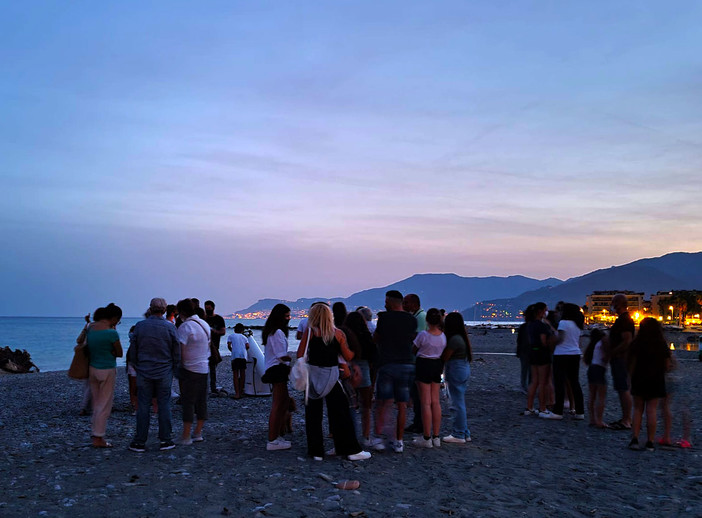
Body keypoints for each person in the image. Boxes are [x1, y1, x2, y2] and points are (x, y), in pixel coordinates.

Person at [297, 304, 371, 461]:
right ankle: (349, 449)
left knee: (313, 415)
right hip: (331, 375)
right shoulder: (337, 334)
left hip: (312, 376)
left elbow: (300, 353)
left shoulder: (309, 332)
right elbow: (348, 356)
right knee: (341, 413)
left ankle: (316, 452)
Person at [128, 298, 181, 453]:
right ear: (164, 310)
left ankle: (139, 441)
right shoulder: (169, 327)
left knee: (143, 405)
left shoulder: (140, 326)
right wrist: (174, 366)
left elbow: (133, 349)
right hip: (164, 371)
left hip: (144, 370)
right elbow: (176, 350)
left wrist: (135, 364)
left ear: (150, 309)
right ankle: (165, 440)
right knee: (164, 405)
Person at [372, 290, 417, 453]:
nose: (384, 304)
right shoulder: (411, 319)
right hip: (406, 363)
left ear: (391, 302)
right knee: (402, 404)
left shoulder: (384, 318)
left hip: (387, 363)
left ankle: (378, 437)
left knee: (383, 402)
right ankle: (399, 441)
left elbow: (376, 339)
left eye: (386, 301)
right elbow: (412, 338)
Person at [627, 318, 671, 451]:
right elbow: (667, 365)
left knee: (638, 409)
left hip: (639, 378)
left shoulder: (637, 343)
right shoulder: (661, 344)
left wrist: (630, 378)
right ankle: (650, 442)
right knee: (651, 410)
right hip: (656, 379)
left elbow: (632, 364)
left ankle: (635, 439)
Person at [86, 303, 123, 448]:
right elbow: (119, 353)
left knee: (96, 403)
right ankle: (98, 438)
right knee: (104, 405)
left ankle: (95, 432)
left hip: (92, 368)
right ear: (114, 318)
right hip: (107, 368)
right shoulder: (111, 333)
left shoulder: (91, 328)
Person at [175, 298, 211, 445]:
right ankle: (198, 432)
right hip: (204, 367)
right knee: (202, 401)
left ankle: (186, 436)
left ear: (182, 312)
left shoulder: (185, 327)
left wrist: (180, 367)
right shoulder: (204, 324)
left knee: (188, 402)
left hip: (190, 368)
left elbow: (180, 351)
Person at [411, 308, 446, 448]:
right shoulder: (443, 336)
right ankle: (436, 436)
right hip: (436, 364)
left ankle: (426, 437)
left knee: (425, 402)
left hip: (423, 364)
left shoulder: (423, 335)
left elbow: (413, 349)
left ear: (427, 320)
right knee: (435, 401)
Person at [343, 311, 378, 446]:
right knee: (366, 406)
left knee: (349, 405)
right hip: (364, 370)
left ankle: (350, 435)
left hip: (347, 370)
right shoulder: (366, 336)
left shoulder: (344, 335)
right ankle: (366, 436)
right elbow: (373, 355)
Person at [545, 303, 585, 420]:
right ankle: (580, 411)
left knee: (559, 383)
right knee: (574, 383)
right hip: (575, 354)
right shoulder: (578, 324)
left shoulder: (563, 323)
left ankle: (558, 411)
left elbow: (560, 338)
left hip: (561, 354)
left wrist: (551, 341)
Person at [261, 303, 293, 451]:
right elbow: (281, 356)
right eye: (287, 316)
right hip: (277, 370)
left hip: (273, 369)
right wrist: (293, 361)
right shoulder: (278, 332)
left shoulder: (271, 331)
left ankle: (276, 435)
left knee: (283, 402)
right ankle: (272, 439)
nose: (289, 318)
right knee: (278, 404)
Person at [441, 312, 473, 443]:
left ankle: (458, 433)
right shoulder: (461, 337)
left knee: (456, 403)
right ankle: (464, 432)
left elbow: (445, 357)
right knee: (460, 401)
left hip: (456, 369)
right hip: (463, 368)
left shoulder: (454, 339)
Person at [607, 294, 634, 430]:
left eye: (613, 303)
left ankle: (627, 419)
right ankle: (626, 417)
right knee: (622, 388)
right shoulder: (622, 319)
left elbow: (627, 340)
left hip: (621, 359)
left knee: (623, 388)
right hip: (620, 358)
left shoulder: (624, 320)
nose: (611, 305)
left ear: (618, 304)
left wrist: (613, 352)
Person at [524, 303, 556, 417]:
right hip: (542, 354)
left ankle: (529, 407)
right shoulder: (541, 326)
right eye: (545, 310)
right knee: (543, 382)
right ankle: (543, 408)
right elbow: (544, 341)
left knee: (534, 381)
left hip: (533, 352)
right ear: (541, 311)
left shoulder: (530, 324)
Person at [402, 293, 425, 435]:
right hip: (414, 360)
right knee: (415, 394)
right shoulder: (417, 316)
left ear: (414, 304)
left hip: (417, 360)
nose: (404, 305)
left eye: (406, 303)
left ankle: (420, 423)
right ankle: (417, 422)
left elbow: (418, 338)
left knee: (418, 394)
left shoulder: (420, 318)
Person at [583, 328, 608, 428]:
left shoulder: (592, 346)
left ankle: (592, 419)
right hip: (599, 369)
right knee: (601, 397)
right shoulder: (601, 343)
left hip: (591, 369)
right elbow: (605, 357)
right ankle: (599, 420)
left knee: (592, 396)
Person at [204, 300, 226, 395]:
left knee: (212, 368)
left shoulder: (219, 319)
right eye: (206, 308)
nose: (207, 310)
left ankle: (213, 387)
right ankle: (204, 388)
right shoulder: (203, 319)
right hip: (204, 347)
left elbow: (223, 332)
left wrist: (215, 332)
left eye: (209, 308)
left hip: (214, 346)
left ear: (213, 308)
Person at [227, 323, 250, 399]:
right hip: (243, 356)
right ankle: (241, 391)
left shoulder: (231, 336)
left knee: (235, 375)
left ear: (234, 329)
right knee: (243, 374)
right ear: (242, 330)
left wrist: (232, 350)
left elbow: (229, 345)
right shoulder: (244, 337)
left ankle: (236, 393)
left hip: (235, 356)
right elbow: (247, 346)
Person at [516, 305, 534, 394]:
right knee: (529, 369)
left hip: (525, 350)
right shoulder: (526, 327)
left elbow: (519, 340)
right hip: (529, 350)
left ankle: (525, 385)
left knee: (525, 369)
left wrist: (518, 351)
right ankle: (527, 385)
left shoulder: (524, 327)